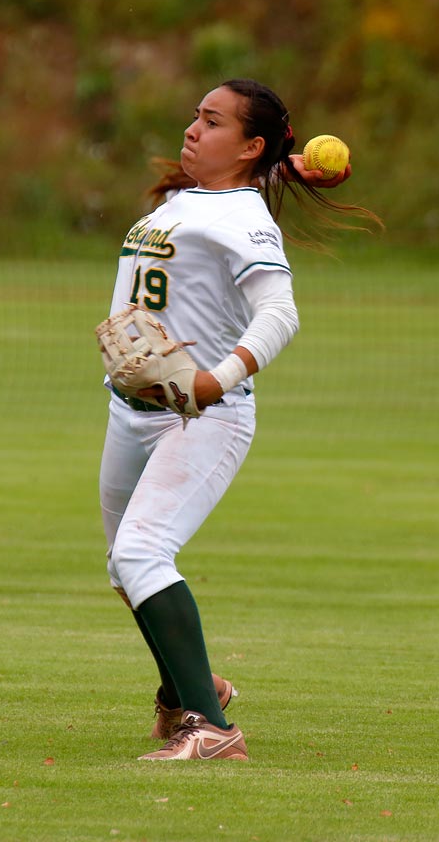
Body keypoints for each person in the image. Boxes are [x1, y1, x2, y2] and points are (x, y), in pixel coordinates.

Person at [100, 78, 377, 760]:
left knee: (141, 554)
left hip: (199, 419)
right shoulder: (189, 200)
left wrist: (214, 379)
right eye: (196, 115)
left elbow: (280, 314)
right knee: (124, 566)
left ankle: (213, 730)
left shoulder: (247, 220)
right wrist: (277, 163)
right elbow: (226, 188)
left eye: (213, 121)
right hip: (130, 413)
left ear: (249, 144)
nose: (193, 128)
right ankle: (188, 694)